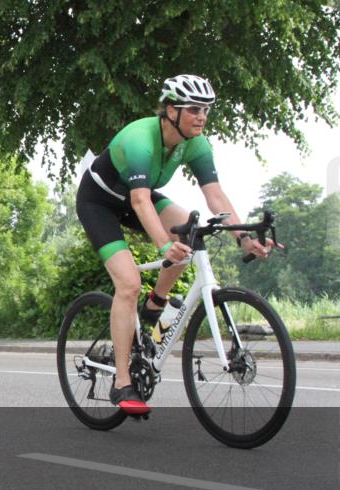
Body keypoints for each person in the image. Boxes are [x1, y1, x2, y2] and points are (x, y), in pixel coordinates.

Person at [75, 74, 280, 414]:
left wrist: (242, 238)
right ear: (171, 110)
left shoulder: (196, 143)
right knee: (128, 283)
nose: (202, 116)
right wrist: (161, 247)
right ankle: (122, 381)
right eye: (193, 109)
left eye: (206, 110)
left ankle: (155, 306)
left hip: (136, 197)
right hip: (100, 203)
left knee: (191, 234)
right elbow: (140, 202)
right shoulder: (141, 138)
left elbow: (215, 195)